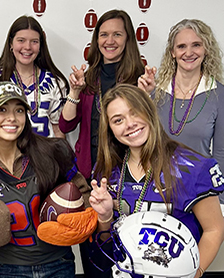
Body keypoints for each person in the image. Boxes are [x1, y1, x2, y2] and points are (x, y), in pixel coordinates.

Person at [89, 84, 224, 278]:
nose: (129, 124)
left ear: (149, 111)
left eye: (135, 112)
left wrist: (194, 273)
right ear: (110, 129)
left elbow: (214, 229)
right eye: (118, 120)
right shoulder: (107, 171)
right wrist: (104, 217)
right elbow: (106, 242)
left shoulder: (193, 167)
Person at [0, 81, 96, 278]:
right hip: (8, 267)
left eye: (19, 110)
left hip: (58, 262)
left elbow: (84, 193)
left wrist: (84, 217)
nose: (12, 118)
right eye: (2, 109)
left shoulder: (53, 151)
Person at [58, 9, 145, 277]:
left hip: (130, 180)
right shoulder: (88, 77)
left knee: (131, 254)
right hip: (91, 179)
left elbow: (150, 127)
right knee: (95, 255)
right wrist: (74, 92)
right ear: (96, 40)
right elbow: (65, 125)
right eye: (103, 34)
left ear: (128, 38)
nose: (110, 40)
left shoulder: (140, 77)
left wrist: (147, 96)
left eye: (117, 34)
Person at [140, 19, 224, 217]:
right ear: (172, 52)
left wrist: (222, 202)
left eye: (196, 45)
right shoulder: (154, 91)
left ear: (206, 49)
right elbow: (139, 140)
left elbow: (223, 154)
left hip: (200, 193)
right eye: (181, 46)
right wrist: (144, 97)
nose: (189, 52)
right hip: (156, 192)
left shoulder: (220, 95)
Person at [0, 15, 69, 138]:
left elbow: (58, 130)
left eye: (34, 41)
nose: (27, 47)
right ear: (11, 44)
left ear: (40, 46)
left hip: (44, 155)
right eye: (21, 40)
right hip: (6, 155)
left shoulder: (56, 82)